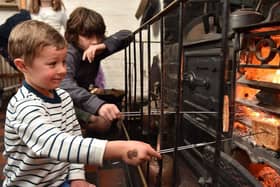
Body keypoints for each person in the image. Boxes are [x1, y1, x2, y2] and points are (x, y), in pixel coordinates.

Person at [3, 20, 161, 187]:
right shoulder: (24, 106)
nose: (63, 70)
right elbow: (55, 143)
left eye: (64, 62)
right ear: (23, 66)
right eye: (52, 64)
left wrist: (77, 177)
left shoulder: (63, 97)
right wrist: (119, 149)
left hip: (60, 180)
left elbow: (74, 138)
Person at [61, 7, 133, 133]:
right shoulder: (69, 53)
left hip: (80, 98)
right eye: (87, 36)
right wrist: (98, 105)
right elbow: (65, 85)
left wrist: (104, 44)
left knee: (111, 117)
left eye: (99, 36)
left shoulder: (95, 47)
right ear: (74, 34)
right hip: (62, 102)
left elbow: (127, 34)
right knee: (103, 124)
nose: (94, 41)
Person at [0, 0, 67, 68]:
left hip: (53, 47)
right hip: (36, 47)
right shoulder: (30, 13)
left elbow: (67, 29)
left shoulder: (60, 12)